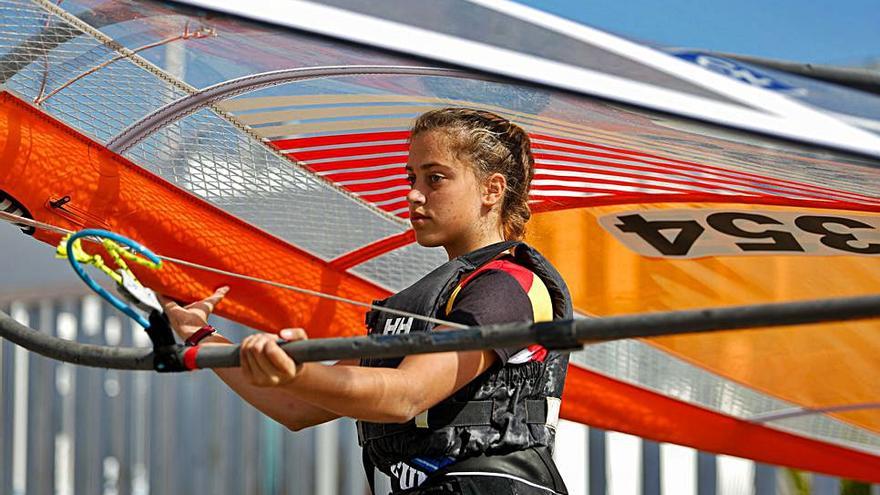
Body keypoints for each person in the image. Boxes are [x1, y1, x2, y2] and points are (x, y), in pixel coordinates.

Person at [160, 108, 573, 495]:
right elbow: (295, 406)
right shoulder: (419, 308)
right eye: (411, 178)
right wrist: (199, 336)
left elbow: (405, 395)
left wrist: (292, 372)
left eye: (435, 178)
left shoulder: (508, 286)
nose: (414, 195)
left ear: (492, 189)